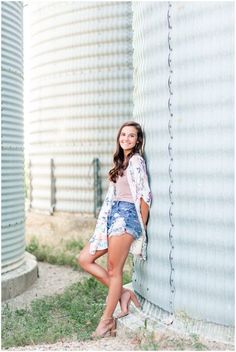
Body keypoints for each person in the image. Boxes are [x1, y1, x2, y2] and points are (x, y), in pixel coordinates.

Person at [77, 121, 152, 339]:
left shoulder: (136, 161)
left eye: (132, 136)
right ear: (119, 137)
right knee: (84, 259)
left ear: (137, 140)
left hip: (127, 217)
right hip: (113, 216)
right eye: (123, 135)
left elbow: (144, 196)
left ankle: (106, 322)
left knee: (113, 270)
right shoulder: (121, 161)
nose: (126, 138)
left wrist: (141, 227)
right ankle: (123, 293)